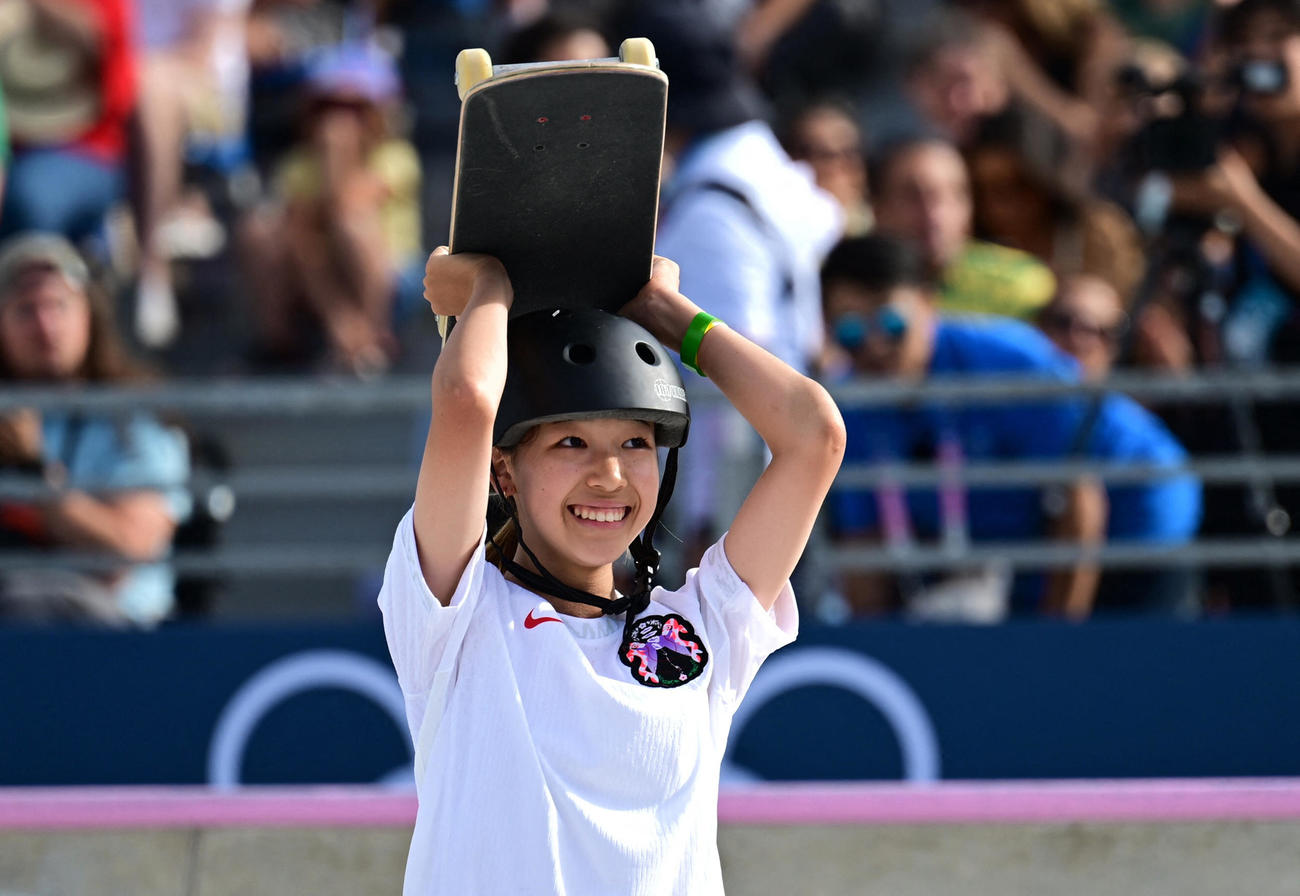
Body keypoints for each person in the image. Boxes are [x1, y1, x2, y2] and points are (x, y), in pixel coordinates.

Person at [377, 246, 844, 892]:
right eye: (572, 443)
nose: (611, 476)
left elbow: (814, 434)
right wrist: (487, 287)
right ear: (504, 470)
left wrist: (673, 318)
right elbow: (467, 399)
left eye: (635, 443)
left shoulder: (704, 628)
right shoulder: (457, 619)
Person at [618, 0, 842, 572]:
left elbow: (731, 386)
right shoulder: (762, 169)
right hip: (782, 484)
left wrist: (707, 527)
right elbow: (827, 216)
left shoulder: (711, 207)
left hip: (742, 507)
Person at [820, 233, 1106, 620]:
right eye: (850, 331)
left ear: (927, 302)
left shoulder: (1011, 362)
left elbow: (1080, 502)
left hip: (1130, 541)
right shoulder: (846, 402)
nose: (874, 346)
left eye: (891, 323)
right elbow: (863, 545)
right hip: (1011, 561)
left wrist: (1058, 639)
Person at [0, 233, 191, 626]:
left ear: (90, 316)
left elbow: (131, 546)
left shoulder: (134, 418)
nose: (45, 326)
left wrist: (34, 473)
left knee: (29, 602)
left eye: (59, 305)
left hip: (112, 634)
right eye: (25, 310)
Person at [238, 41, 420, 375]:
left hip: (391, 274)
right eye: (326, 107)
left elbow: (346, 205)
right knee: (265, 230)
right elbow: (298, 225)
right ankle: (286, 339)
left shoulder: (396, 158)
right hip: (320, 271)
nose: (337, 120)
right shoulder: (297, 164)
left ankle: (373, 336)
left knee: (353, 224)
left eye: (353, 109)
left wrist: (336, 158)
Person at [1038, 274, 1204, 614]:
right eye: (1064, 322)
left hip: (1138, 593)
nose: (1078, 339)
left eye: (1100, 331)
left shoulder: (1135, 429)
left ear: (1117, 345)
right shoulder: (1003, 413)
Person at [871, 134, 1057, 320]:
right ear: (877, 208)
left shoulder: (1023, 285)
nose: (934, 214)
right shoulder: (852, 292)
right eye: (912, 196)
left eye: (954, 194)